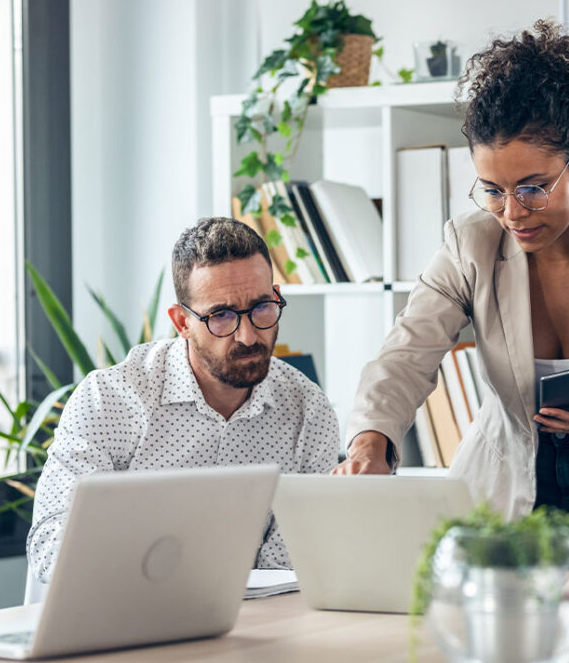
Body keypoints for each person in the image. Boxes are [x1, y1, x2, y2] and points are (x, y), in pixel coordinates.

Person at [334, 20, 569, 546]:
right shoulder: (471, 243)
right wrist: (370, 443)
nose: (512, 213)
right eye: (491, 189)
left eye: (533, 188)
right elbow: (404, 355)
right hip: (506, 485)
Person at [27, 217, 340, 583]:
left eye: (261, 307)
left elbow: (289, 564)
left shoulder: (309, 411)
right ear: (181, 322)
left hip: (250, 622)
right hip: (122, 612)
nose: (248, 335)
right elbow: (50, 543)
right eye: (221, 316)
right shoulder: (111, 399)